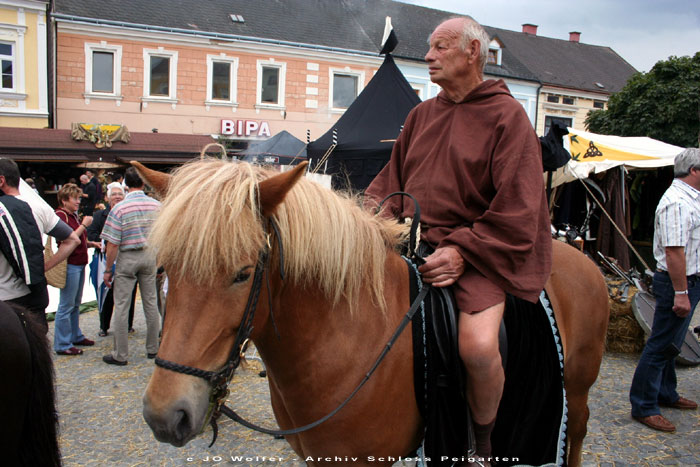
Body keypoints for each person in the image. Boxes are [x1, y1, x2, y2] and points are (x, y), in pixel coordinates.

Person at [364, 16, 551, 462]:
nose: (429, 56)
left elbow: (518, 207)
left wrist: (463, 251)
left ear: (473, 52)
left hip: (480, 251)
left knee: (479, 348)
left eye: (441, 47)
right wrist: (362, 220)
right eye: (430, 47)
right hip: (409, 242)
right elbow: (389, 184)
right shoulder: (420, 114)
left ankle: (483, 441)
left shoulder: (508, 117)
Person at [629, 148, 700, 432]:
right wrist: (681, 292)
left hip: (688, 281)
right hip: (677, 284)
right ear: (694, 171)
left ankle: (665, 393)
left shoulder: (689, 199)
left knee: (673, 343)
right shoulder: (677, 202)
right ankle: (644, 405)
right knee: (660, 345)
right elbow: (674, 252)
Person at [0, 158, 80, 332]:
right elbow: (73, 239)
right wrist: (44, 267)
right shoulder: (39, 207)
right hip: (35, 292)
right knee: (37, 351)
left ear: (1, 181)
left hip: (5, 299)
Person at [101, 167, 161, 365]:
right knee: (151, 303)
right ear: (143, 183)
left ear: (125, 185)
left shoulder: (119, 208)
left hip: (127, 256)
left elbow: (112, 243)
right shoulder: (156, 206)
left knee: (122, 306)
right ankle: (153, 348)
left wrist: (108, 269)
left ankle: (121, 354)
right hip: (149, 254)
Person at [86, 183, 136, 336]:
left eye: (120, 194)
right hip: (104, 259)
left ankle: (128, 325)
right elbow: (91, 234)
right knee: (106, 292)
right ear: (107, 198)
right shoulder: (99, 216)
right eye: (113, 194)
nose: (117, 197)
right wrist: (106, 241)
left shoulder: (129, 213)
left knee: (129, 293)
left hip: (126, 258)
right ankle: (104, 326)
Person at [53, 183, 94, 355]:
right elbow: (68, 239)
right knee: (66, 305)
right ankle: (62, 344)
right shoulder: (60, 215)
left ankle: (75, 335)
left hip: (78, 263)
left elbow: (77, 240)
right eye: (75, 198)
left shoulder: (72, 216)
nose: (78, 202)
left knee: (75, 304)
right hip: (70, 264)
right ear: (64, 200)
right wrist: (84, 226)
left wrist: (91, 243)